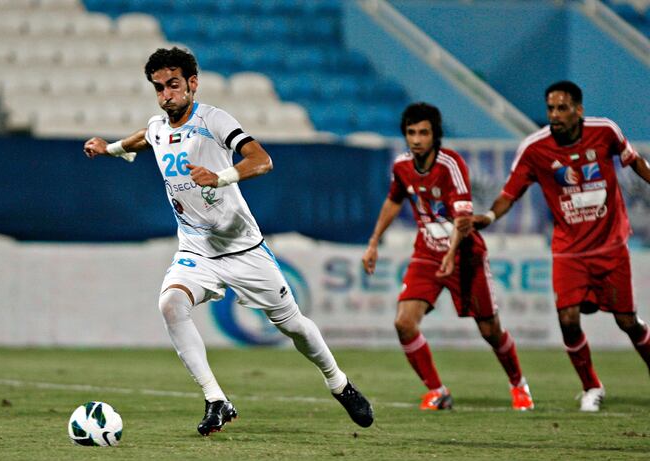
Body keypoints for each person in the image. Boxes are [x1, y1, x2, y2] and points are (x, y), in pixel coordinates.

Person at [83, 47, 373, 435]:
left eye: (173, 85)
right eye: (159, 88)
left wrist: (221, 177)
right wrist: (112, 149)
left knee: (294, 327)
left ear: (192, 84)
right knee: (171, 304)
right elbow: (147, 137)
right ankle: (216, 400)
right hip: (196, 249)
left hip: (243, 249)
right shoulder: (158, 126)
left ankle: (338, 383)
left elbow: (262, 159)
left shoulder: (213, 120)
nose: (166, 94)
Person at [461, 81, 650, 412]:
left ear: (579, 110)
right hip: (569, 250)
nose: (555, 115)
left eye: (562, 108)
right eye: (550, 108)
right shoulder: (534, 149)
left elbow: (632, 160)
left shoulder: (605, 131)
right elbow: (510, 193)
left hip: (610, 245)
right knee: (567, 318)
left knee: (627, 322)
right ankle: (591, 386)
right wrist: (489, 216)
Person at [361, 102, 533, 411]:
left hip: (464, 255)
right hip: (427, 254)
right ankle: (438, 391)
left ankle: (519, 385)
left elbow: (464, 219)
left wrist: (452, 253)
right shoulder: (401, 166)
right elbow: (393, 201)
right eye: (411, 133)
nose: (416, 140)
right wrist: (374, 242)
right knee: (404, 323)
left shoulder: (451, 165)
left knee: (489, 330)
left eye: (423, 133)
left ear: (435, 135)